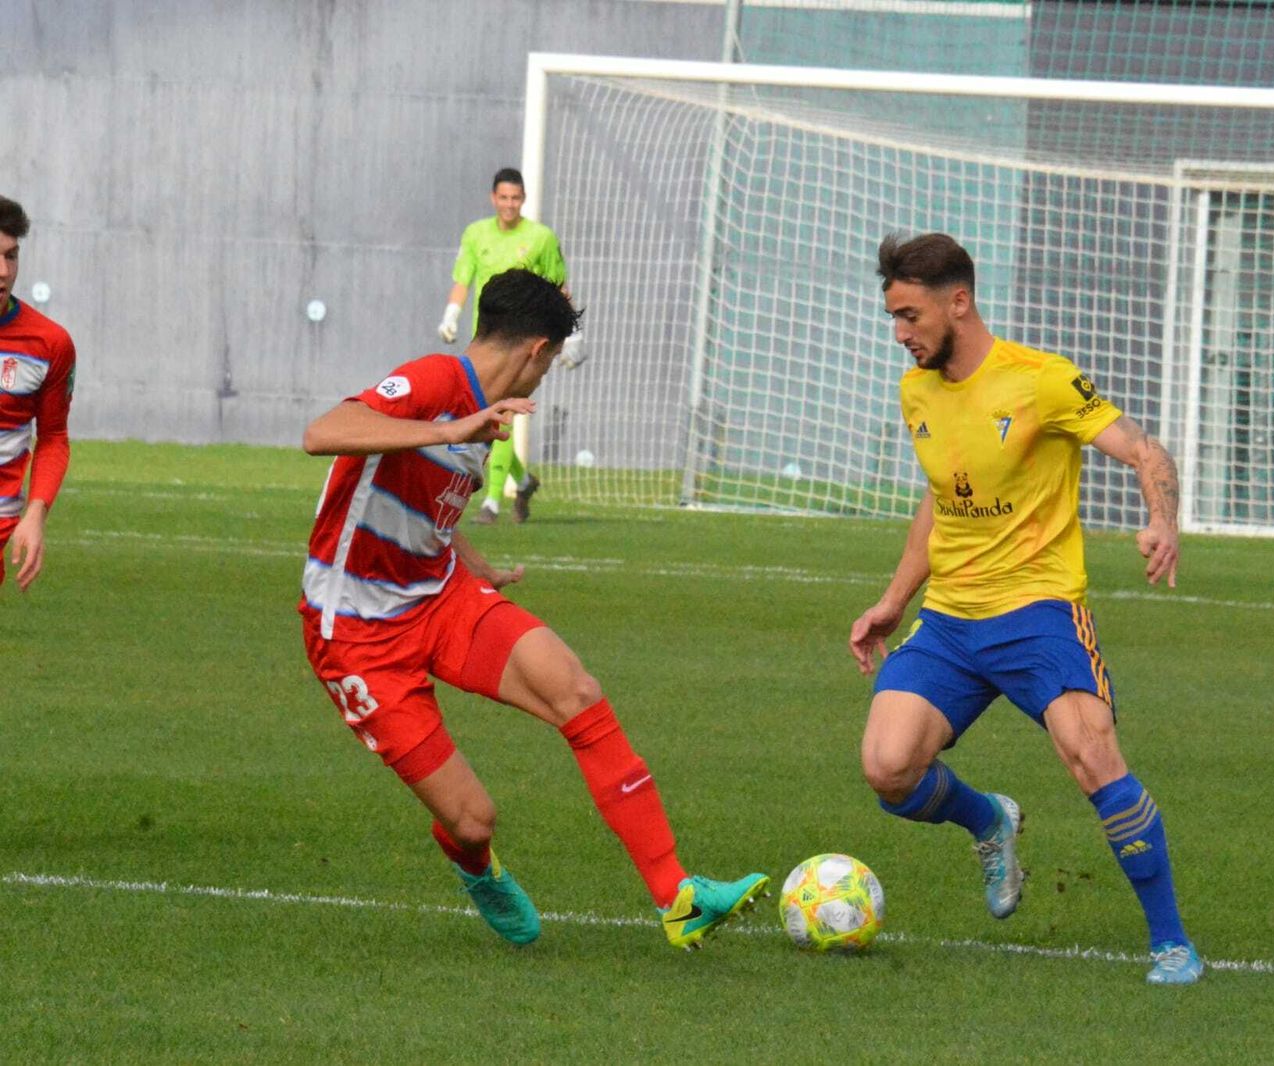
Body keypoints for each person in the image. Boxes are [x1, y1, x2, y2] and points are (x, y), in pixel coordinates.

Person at [303, 268, 766, 949]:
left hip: (440, 595)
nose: (544, 378)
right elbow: (325, 430)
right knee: (473, 820)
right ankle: (477, 867)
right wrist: (453, 425)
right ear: (536, 351)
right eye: (548, 366)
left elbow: (409, 494)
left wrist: (460, 551)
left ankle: (678, 895)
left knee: (574, 689)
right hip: (356, 635)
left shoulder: (488, 414)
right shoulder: (436, 382)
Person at [848, 233, 1202, 985]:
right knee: (887, 769)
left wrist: (1163, 521)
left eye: (909, 316)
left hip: (1039, 611)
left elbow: (1146, 451)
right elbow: (940, 502)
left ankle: (1170, 941)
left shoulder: (1041, 381)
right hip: (949, 620)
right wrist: (892, 601)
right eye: (894, 319)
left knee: (1092, 755)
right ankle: (989, 821)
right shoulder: (916, 391)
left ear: (960, 302)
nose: (900, 334)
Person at [437, 166, 582, 525]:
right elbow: (463, 277)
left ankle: (492, 503)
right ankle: (522, 480)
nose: (509, 204)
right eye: (503, 197)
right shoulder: (476, 234)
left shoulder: (541, 238)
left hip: (523, 345)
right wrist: (451, 314)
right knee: (485, 414)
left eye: (515, 198)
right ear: (493, 198)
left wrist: (574, 336)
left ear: (523, 200)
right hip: (482, 342)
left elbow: (560, 287)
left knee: (502, 414)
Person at [0, 195, 76, 592]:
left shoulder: (49, 344)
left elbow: (53, 438)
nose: (3, 271)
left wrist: (36, 512)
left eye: (11, 257)